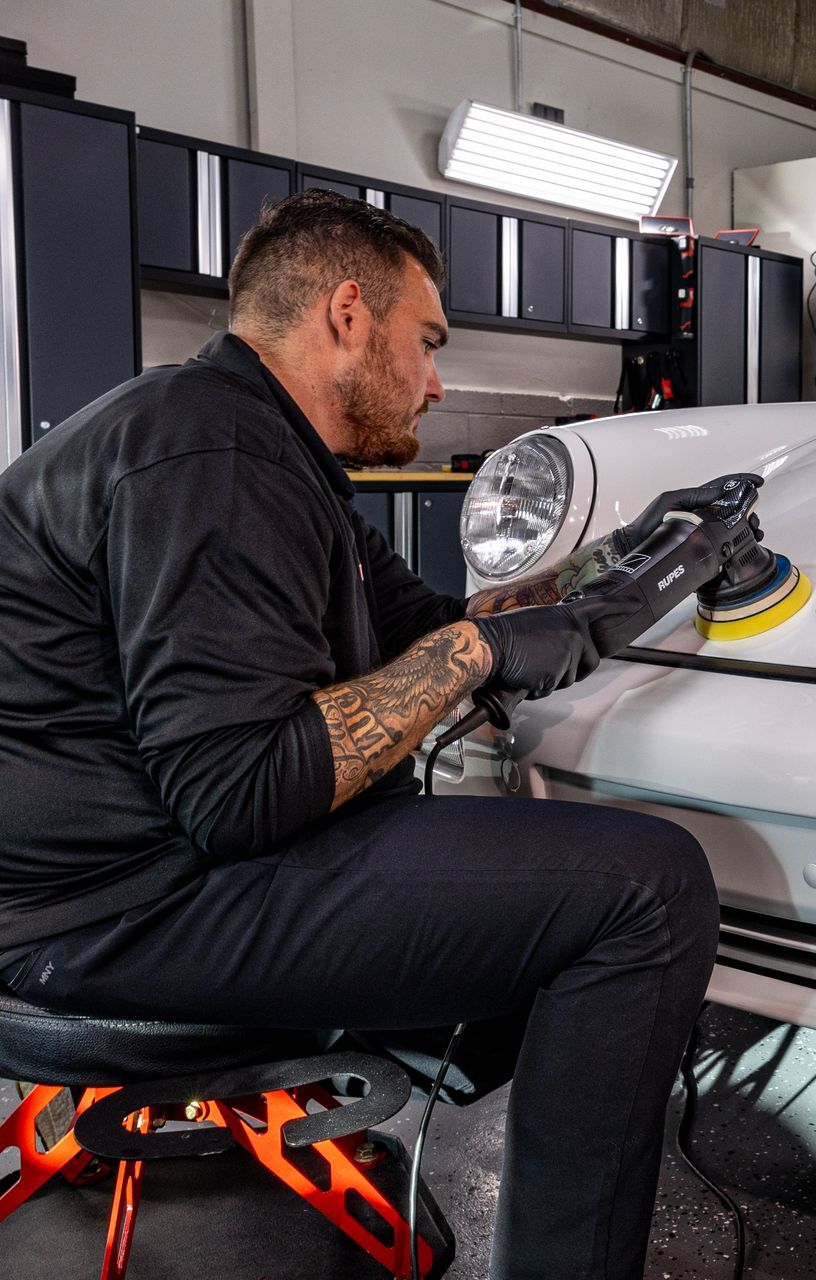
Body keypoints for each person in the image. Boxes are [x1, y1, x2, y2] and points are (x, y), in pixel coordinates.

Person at [0, 189, 729, 1278]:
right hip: (114, 912)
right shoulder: (212, 455)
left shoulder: (259, 450)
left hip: (128, 879)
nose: (436, 382)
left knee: (560, 877)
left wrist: (628, 566)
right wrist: (477, 653)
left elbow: (436, 625)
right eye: (427, 343)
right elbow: (240, 790)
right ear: (348, 314)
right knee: (647, 888)